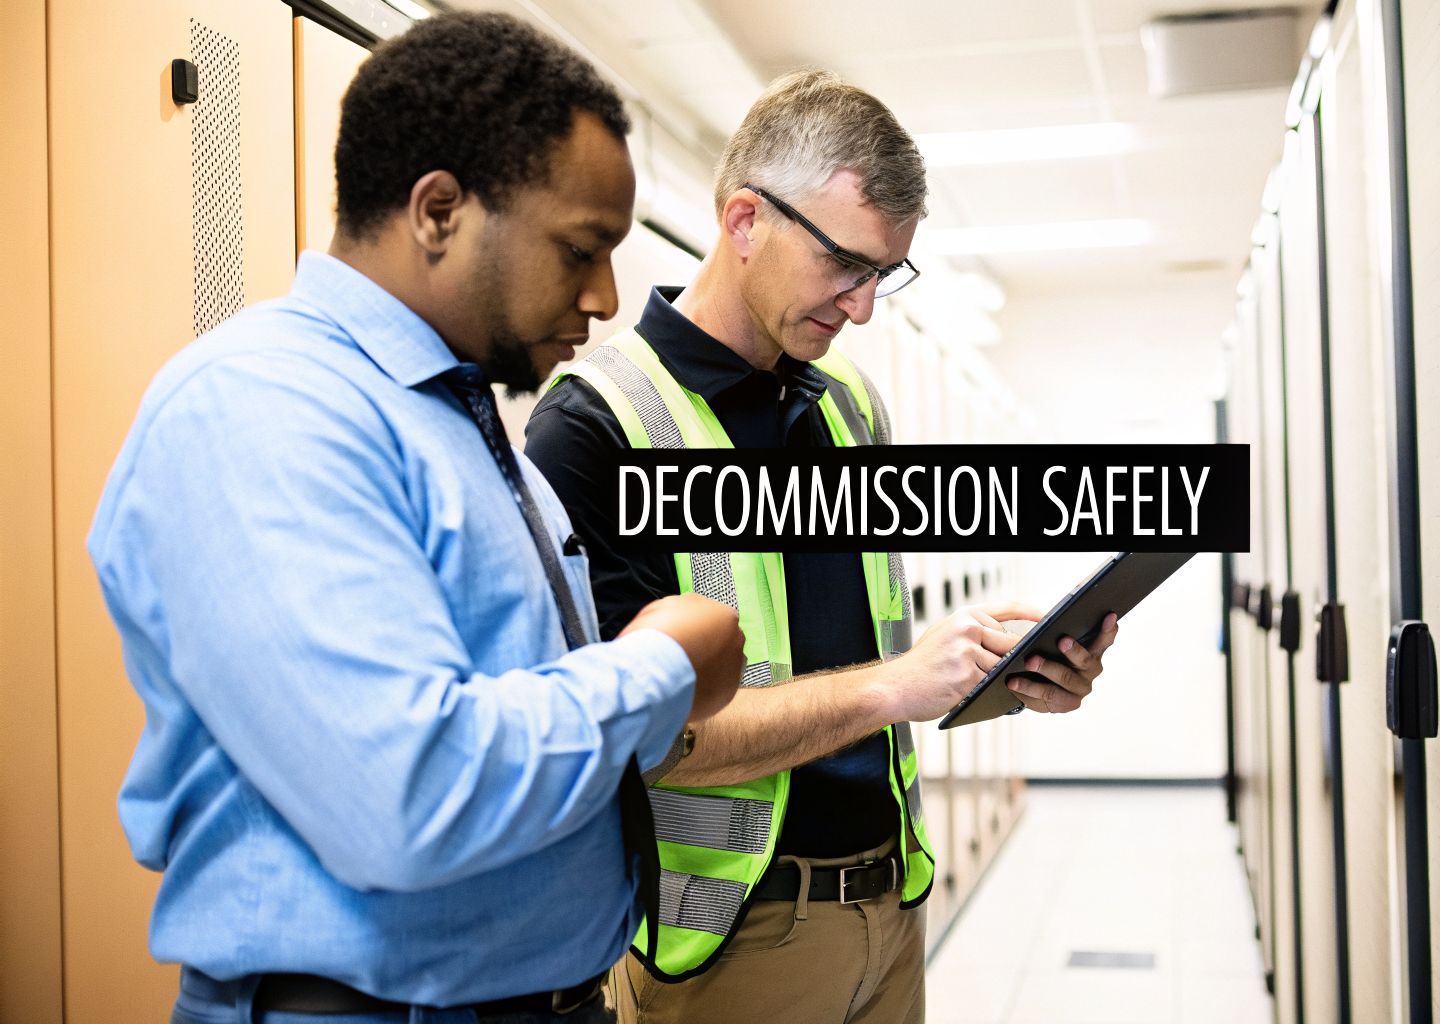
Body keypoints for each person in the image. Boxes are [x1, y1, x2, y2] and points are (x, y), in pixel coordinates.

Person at [87, 13, 745, 1023]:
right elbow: (404, 794)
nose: (608, 295)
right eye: (580, 248)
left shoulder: (452, 416)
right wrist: (657, 669)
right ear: (438, 210)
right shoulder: (263, 405)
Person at [523, 70, 1120, 1024]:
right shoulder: (595, 428)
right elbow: (637, 741)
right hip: (728, 943)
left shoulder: (846, 409)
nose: (864, 307)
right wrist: (895, 685)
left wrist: (987, 670)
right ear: (747, 219)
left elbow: (859, 656)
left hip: (892, 909)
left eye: (884, 274)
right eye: (847, 265)